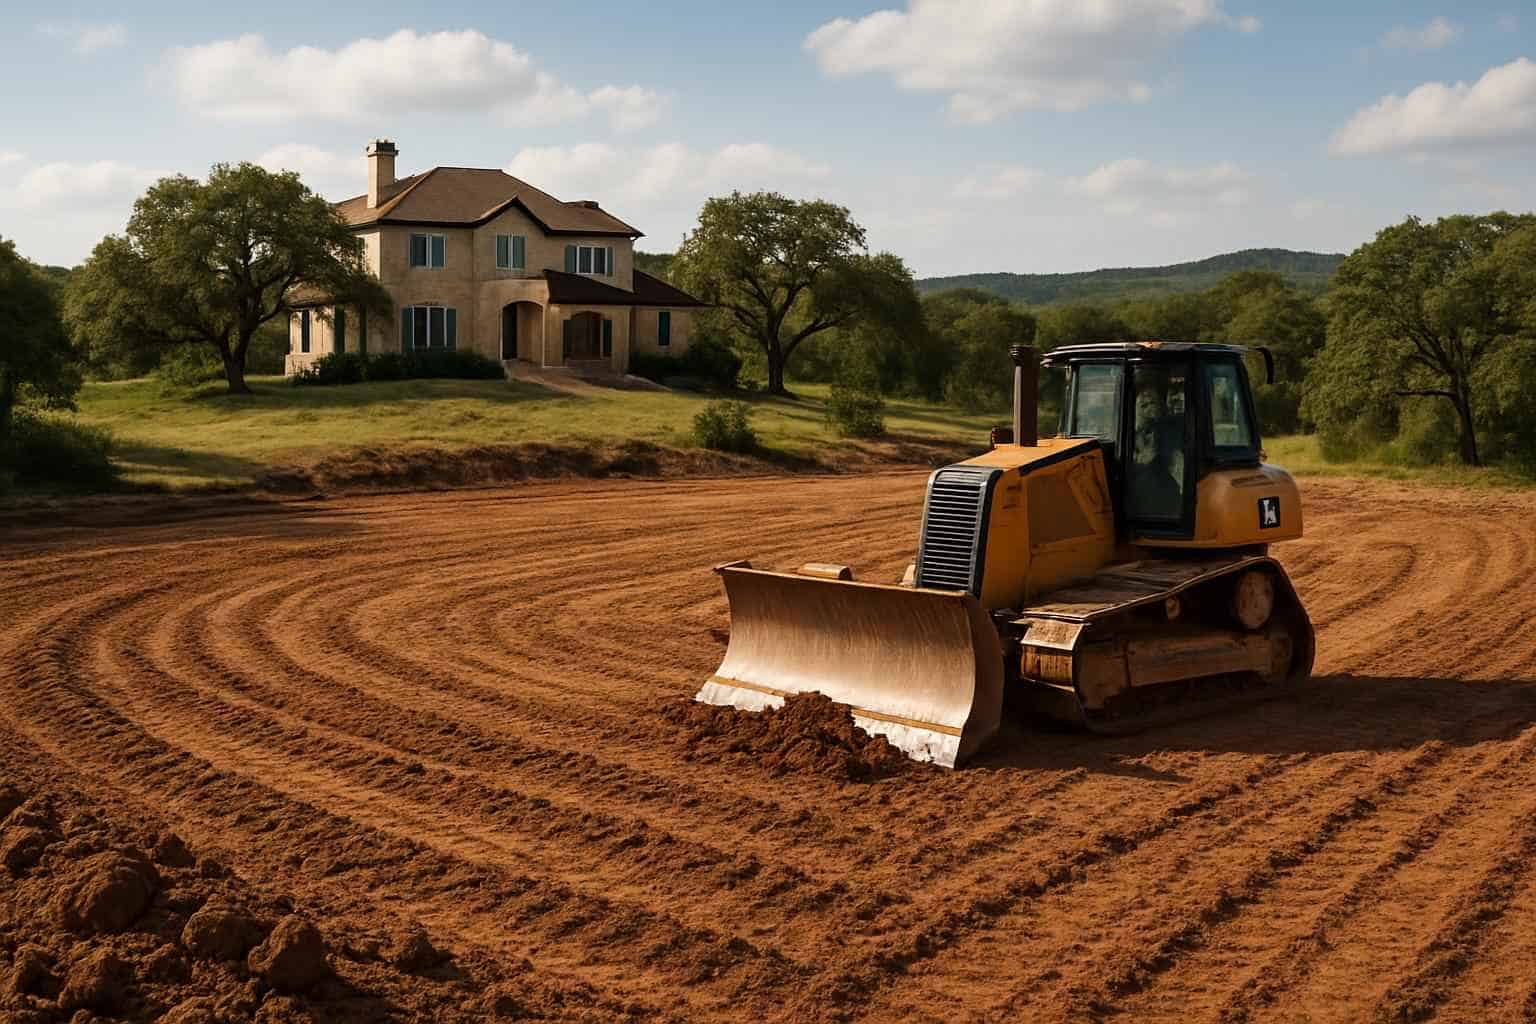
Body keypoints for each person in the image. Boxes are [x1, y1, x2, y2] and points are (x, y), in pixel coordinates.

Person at [1131, 371, 1184, 519]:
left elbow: (1178, 468)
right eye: (1143, 405)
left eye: (1151, 403)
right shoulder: (1130, 435)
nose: (1148, 408)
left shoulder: (1168, 434)